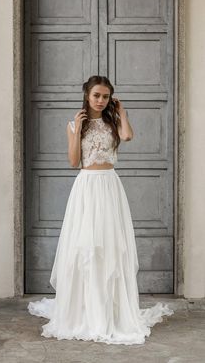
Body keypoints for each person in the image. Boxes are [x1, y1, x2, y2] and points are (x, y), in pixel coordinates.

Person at [27, 75, 174, 345]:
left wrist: (122, 113)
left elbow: (128, 136)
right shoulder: (74, 125)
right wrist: (78, 127)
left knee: (110, 246)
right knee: (85, 247)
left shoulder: (113, 122)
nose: (100, 100)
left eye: (105, 96)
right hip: (86, 188)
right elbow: (74, 161)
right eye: (96, 95)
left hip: (109, 187)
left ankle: (110, 310)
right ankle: (86, 310)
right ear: (87, 95)